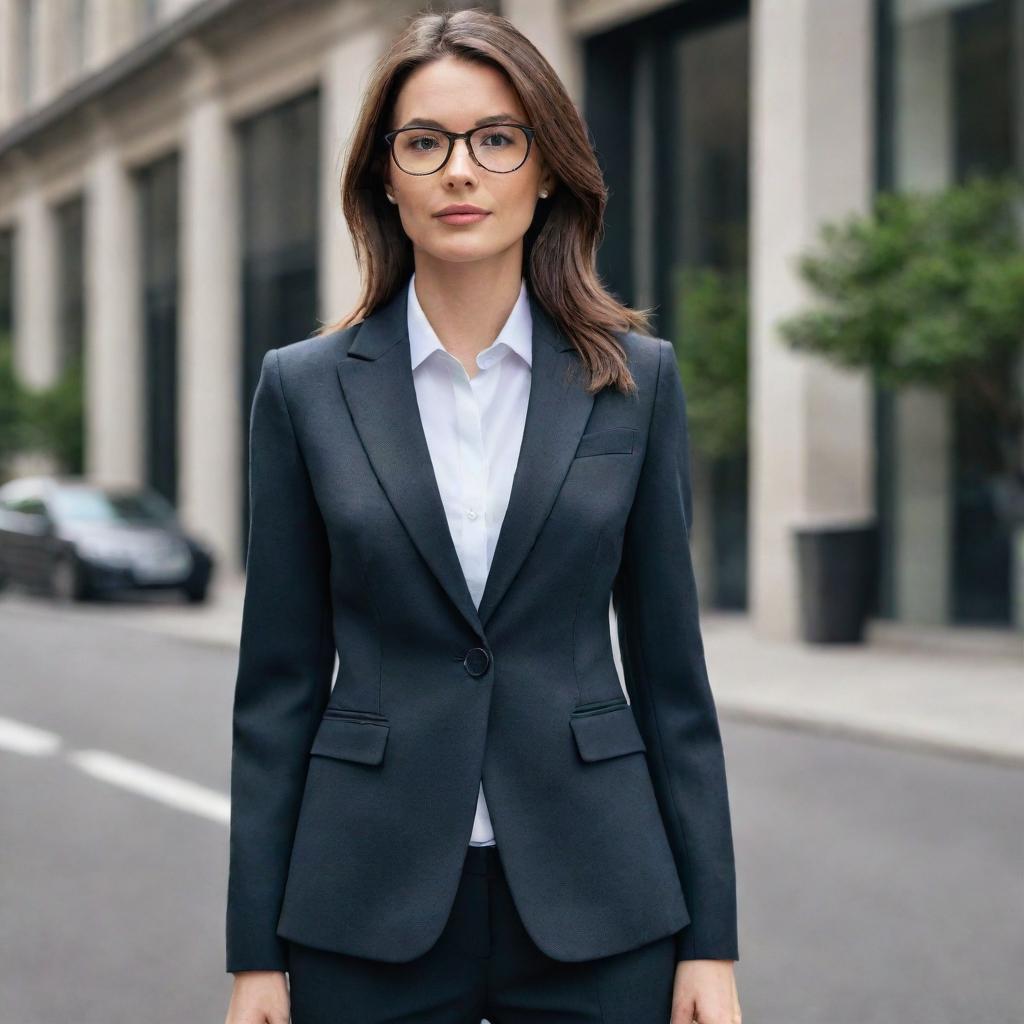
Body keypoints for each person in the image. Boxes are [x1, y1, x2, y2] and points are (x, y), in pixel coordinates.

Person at [224, 9, 741, 1024]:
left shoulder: (634, 382)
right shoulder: (304, 388)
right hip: (363, 902)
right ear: (385, 175)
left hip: (601, 895)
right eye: (424, 142)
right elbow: (276, 689)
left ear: (545, 169)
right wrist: (254, 956)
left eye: (496, 138)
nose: (460, 170)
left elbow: (674, 681)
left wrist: (711, 943)